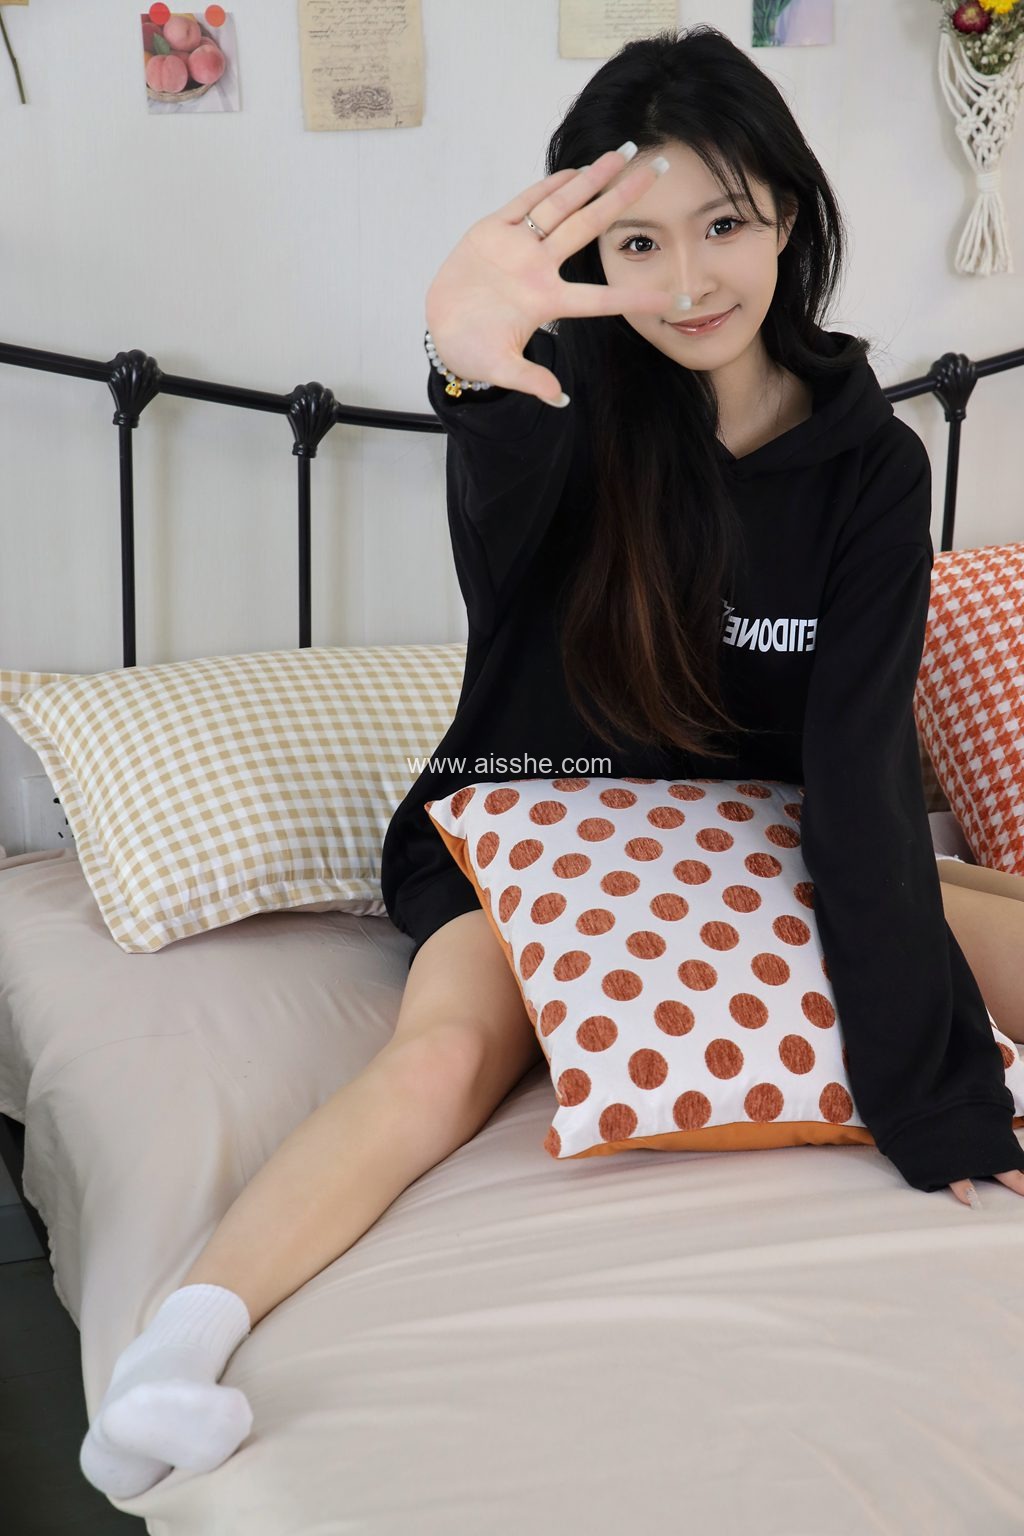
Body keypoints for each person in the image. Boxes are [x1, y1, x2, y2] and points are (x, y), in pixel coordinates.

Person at [79, 23, 1024, 1503]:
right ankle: (174, 1352)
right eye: (638, 244)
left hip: (753, 835)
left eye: (726, 223)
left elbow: (857, 778)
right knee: (450, 1052)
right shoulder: (556, 404)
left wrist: (933, 1101)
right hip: (533, 813)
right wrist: (469, 375)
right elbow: (500, 551)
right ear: (586, 257)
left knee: (982, 925)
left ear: (789, 215)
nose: (691, 280)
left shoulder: (872, 466)